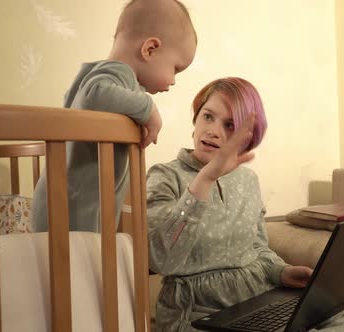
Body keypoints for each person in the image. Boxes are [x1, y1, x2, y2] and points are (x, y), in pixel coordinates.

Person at [146, 77, 315, 331]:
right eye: (208, 116)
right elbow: (161, 259)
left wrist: (281, 272)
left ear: (246, 138)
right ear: (195, 120)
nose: (213, 130)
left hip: (257, 296)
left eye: (230, 125)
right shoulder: (164, 176)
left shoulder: (248, 179)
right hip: (196, 310)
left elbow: (257, 246)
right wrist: (205, 178)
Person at [32, 0, 197, 233]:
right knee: (79, 266)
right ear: (150, 49)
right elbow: (94, 94)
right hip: (71, 208)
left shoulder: (98, 74)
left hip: (64, 205)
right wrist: (148, 108)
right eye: (176, 68)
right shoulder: (117, 74)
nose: (173, 80)